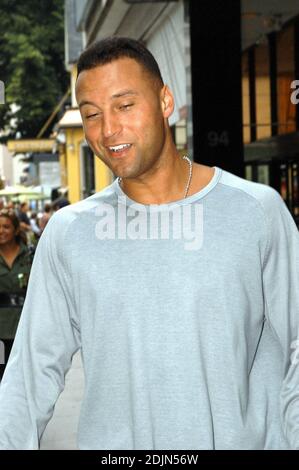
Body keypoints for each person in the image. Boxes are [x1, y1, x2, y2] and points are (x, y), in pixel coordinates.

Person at [0, 36, 298, 450]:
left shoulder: (256, 212)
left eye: (124, 105)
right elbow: (29, 375)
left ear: (165, 101)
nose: (108, 130)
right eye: (91, 114)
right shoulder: (70, 233)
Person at [0, 209, 32, 380]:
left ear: (16, 230)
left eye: (6, 227)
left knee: (23, 378)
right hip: (1, 330)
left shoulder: (29, 255)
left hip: (25, 328)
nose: (1, 231)